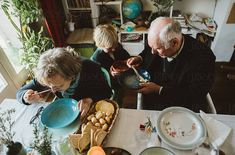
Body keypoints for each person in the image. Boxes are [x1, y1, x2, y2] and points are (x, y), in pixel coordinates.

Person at [126, 17, 216, 112]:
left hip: (179, 106)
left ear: (174, 43)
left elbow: (195, 95)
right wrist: (140, 57)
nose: (152, 52)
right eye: (151, 46)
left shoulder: (204, 59)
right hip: (155, 93)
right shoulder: (162, 40)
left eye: (158, 48)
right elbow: (150, 50)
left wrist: (159, 90)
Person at [16, 47, 112, 117]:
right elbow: (20, 92)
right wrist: (26, 96)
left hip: (90, 112)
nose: (52, 90)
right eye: (48, 85)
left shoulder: (90, 69)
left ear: (71, 76)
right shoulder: (48, 76)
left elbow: (106, 92)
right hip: (69, 111)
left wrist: (90, 99)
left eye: (59, 86)